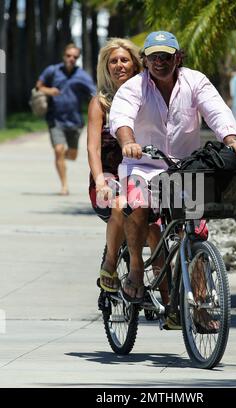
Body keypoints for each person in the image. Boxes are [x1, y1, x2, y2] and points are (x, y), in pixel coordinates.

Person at [110, 31, 236, 330]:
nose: (160, 62)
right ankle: (135, 268)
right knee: (137, 205)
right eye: (154, 57)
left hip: (184, 168)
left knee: (195, 232)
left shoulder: (195, 81)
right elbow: (121, 119)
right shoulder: (134, 88)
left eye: (166, 56)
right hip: (143, 164)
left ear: (178, 57)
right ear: (144, 61)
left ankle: (200, 306)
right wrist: (129, 142)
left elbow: (216, 109)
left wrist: (232, 138)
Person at [87, 38, 168, 304]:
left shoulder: (150, 95)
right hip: (110, 177)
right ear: (105, 67)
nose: (119, 65)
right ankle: (112, 265)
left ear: (135, 64)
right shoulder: (101, 103)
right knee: (122, 204)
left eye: (124, 60)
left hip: (145, 174)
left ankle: (168, 299)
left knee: (156, 226)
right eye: (113, 61)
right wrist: (100, 180)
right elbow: (93, 148)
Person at [36, 43, 96, 195]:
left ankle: (63, 157)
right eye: (68, 55)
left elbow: (95, 94)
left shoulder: (82, 76)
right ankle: (64, 186)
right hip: (55, 119)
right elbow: (39, 86)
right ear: (64, 55)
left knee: (72, 155)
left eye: (75, 57)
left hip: (75, 122)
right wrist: (50, 91)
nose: (71, 59)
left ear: (78, 58)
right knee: (59, 150)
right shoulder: (53, 71)